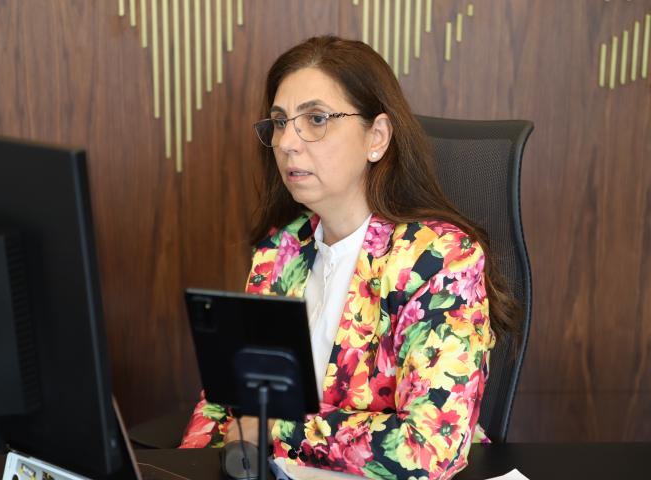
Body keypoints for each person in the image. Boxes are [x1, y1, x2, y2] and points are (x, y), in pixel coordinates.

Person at [179, 35, 518, 480]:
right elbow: (228, 399)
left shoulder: (439, 259)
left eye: (316, 119)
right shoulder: (280, 251)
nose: (287, 143)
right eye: (280, 122)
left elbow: (427, 447)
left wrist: (274, 428)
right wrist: (185, 467)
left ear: (376, 137)